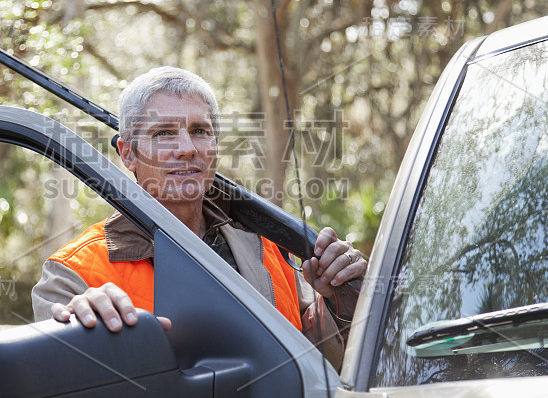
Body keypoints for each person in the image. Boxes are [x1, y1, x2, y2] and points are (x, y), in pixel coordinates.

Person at [32, 66, 367, 369]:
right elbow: (57, 389)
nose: (187, 148)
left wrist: (343, 297)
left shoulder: (269, 244)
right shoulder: (72, 274)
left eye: (200, 131)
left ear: (216, 146)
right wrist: (82, 327)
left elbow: (325, 367)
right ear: (127, 153)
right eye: (163, 133)